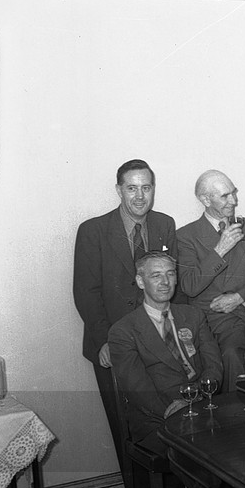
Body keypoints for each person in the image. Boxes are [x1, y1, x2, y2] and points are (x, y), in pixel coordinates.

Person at [73, 159, 177, 471]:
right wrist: (107, 342)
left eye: (146, 187)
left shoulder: (165, 224)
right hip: (111, 345)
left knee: (166, 422)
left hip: (157, 343)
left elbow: (171, 285)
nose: (140, 195)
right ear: (119, 190)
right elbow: (86, 293)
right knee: (127, 433)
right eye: (132, 188)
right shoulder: (94, 230)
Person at [109, 251, 223, 455]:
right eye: (156, 275)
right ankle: (213, 486)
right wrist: (174, 410)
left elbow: (213, 365)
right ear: (140, 281)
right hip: (157, 417)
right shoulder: (124, 330)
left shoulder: (193, 316)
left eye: (170, 274)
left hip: (201, 405)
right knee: (199, 450)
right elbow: (139, 390)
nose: (165, 282)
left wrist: (195, 400)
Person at [176, 169, 245, 391]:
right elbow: (190, 286)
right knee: (232, 354)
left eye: (234, 193)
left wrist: (239, 297)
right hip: (217, 319)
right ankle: (235, 415)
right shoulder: (186, 236)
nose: (234, 200)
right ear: (204, 199)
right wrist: (219, 249)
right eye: (225, 196)